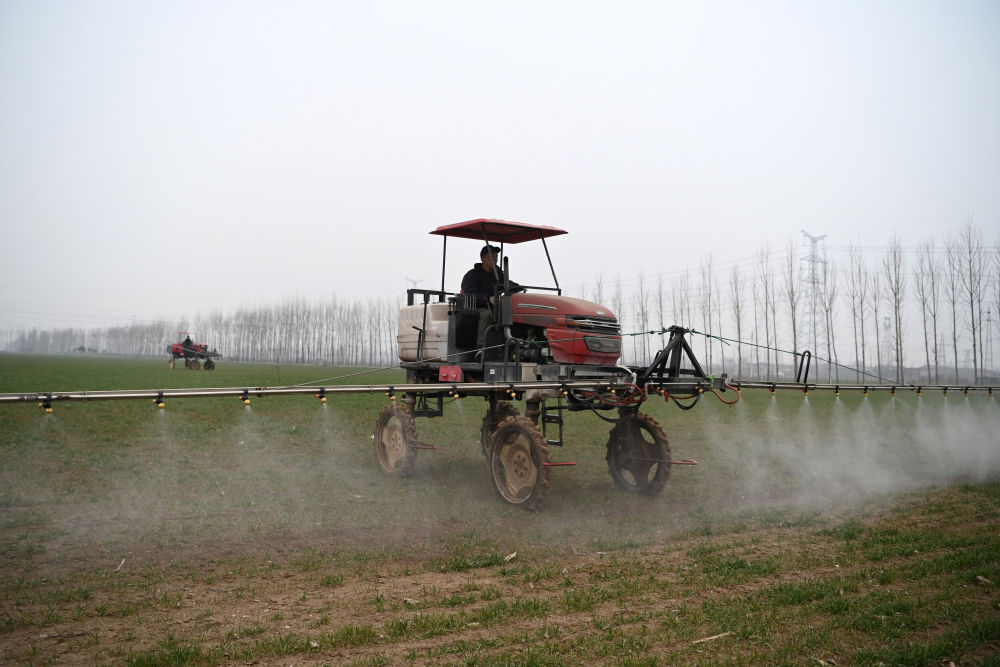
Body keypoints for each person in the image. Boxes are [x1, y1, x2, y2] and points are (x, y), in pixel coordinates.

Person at [460, 245, 519, 354]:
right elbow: (469, 293)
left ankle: (510, 348)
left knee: (511, 314)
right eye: (491, 256)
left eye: (496, 257)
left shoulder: (498, 273)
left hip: (494, 307)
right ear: (482, 258)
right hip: (475, 307)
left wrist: (517, 287)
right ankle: (481, 349)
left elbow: (506, 283)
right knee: (487, 314)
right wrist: (486, 298)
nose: (495, 259)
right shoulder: (472, 275)